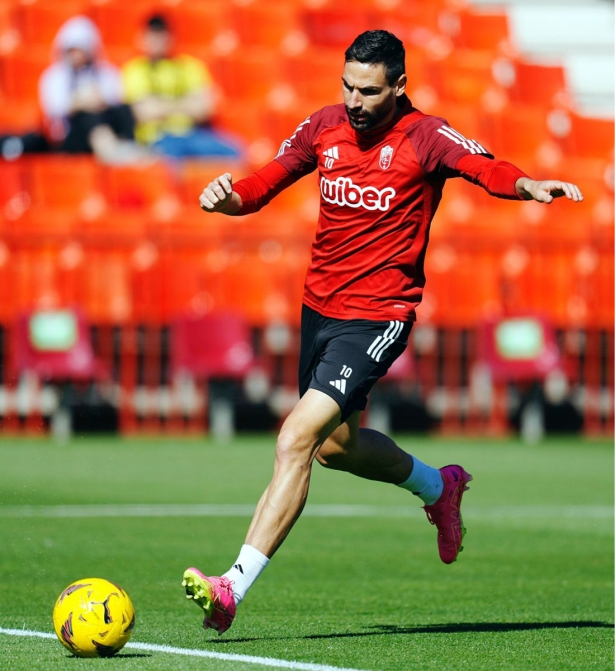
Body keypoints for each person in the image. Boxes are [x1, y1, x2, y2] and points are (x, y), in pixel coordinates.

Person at [183, 30, 584, 634]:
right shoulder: (323, 126)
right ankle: (437, 486)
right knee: (337, 447)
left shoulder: (425, 137)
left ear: (399, 87)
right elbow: (261, 185)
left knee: (295, 439)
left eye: (369, 91)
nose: (354, 100)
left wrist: (527, 185)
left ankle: (231, 586)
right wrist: (226, 198)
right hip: (319, 311)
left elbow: (481, 165)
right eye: (347, 85)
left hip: (378, 316)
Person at [121, 14, 243, 160]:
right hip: (156, 138)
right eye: (153, 35)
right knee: (169, 165)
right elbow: (143, 113)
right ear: (142, 38)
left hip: (192, 134)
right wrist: (185, 104)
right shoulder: (135, 69)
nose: (157, 41)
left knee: (235, 153)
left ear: (171, 37)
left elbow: (205, 108)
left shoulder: (189, 66)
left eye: (162, 34)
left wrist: (161, 105)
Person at [39, 16, 141, 164]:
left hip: (105, 124)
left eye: (79, 50)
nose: (75, 55)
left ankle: (127, 145)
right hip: (71, 138)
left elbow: (117, 98)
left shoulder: (105, 73)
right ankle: (112, 151)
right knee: (86, 117)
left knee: (124, 110)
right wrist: (80, 103)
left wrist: (100, 101)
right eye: (71, 50)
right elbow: (54, 109)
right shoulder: (54, 77)